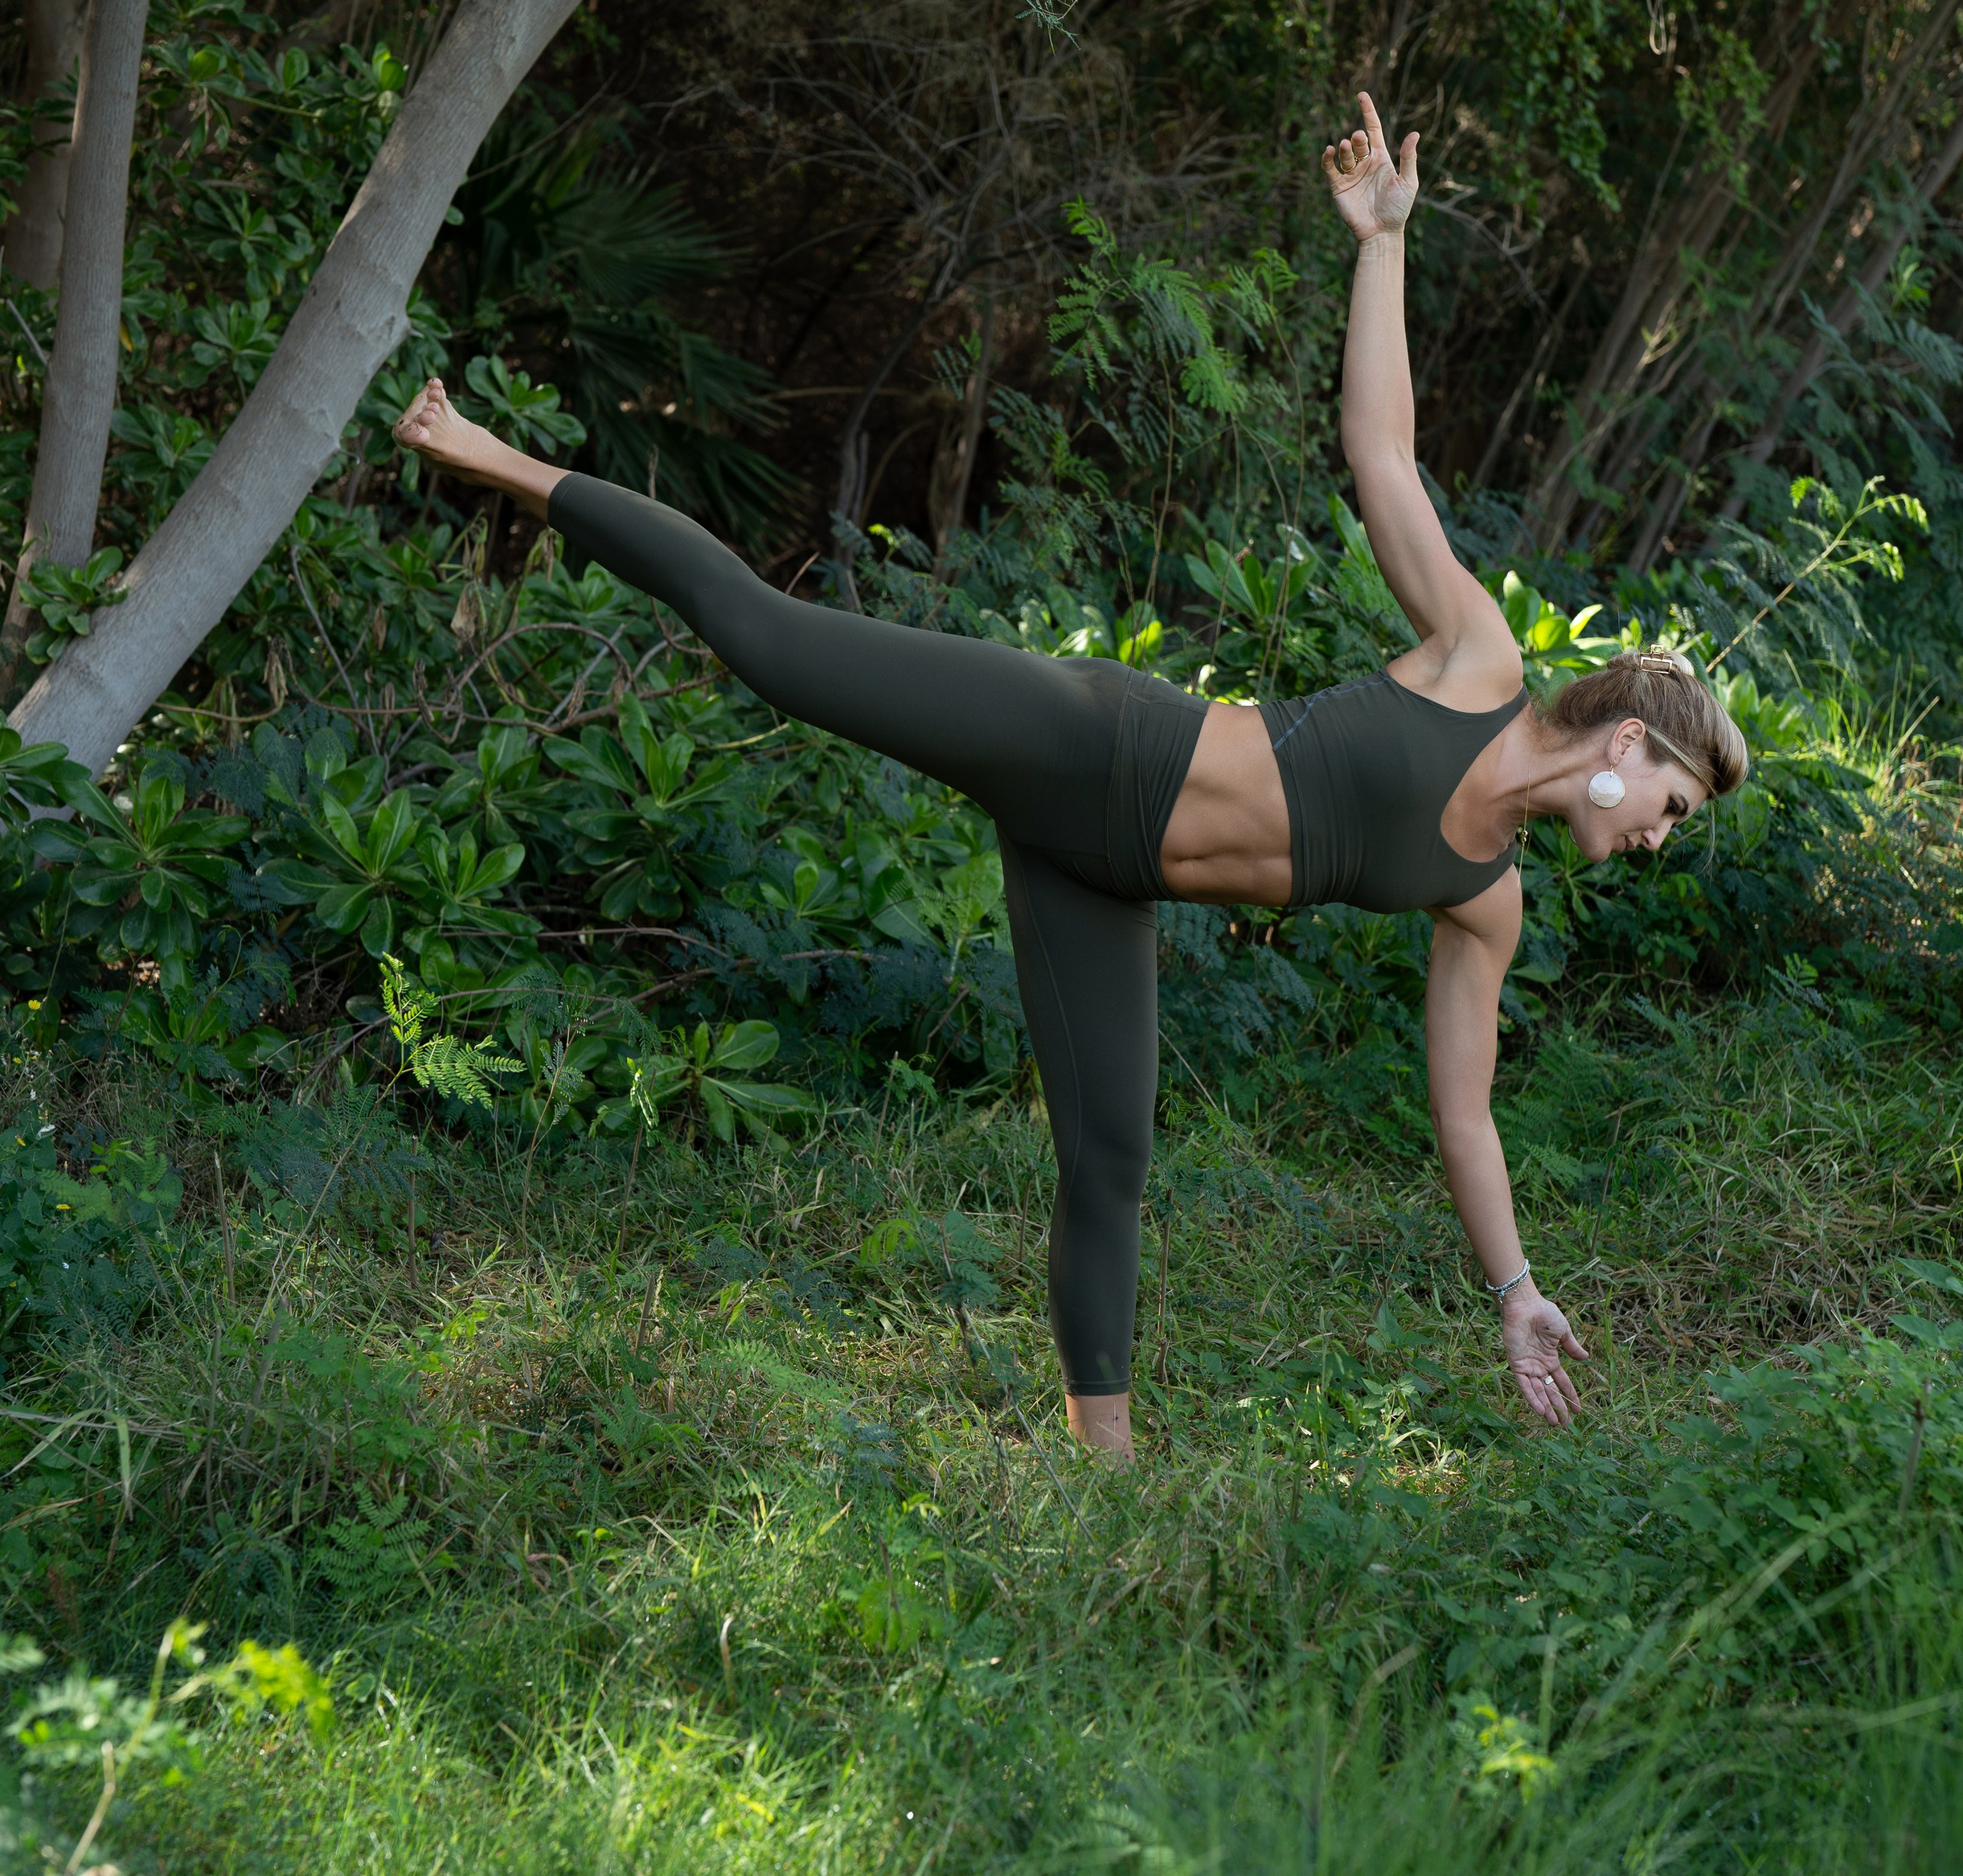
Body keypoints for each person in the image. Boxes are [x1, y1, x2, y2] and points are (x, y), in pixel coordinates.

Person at [396, 96, 1748, 1458]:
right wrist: (1382, 243)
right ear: (1627, 747)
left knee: (1110, 1156)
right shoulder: (1475, 660)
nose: (1658, 843)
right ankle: (489, 451)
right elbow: (1382, 455)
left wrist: (1515, 1297)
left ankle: (1103, 1481)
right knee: (771, 641)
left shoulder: (1489, 904)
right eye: (1675, 812)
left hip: (1100, 874)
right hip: (1093, 741)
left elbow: (1467, 1120)